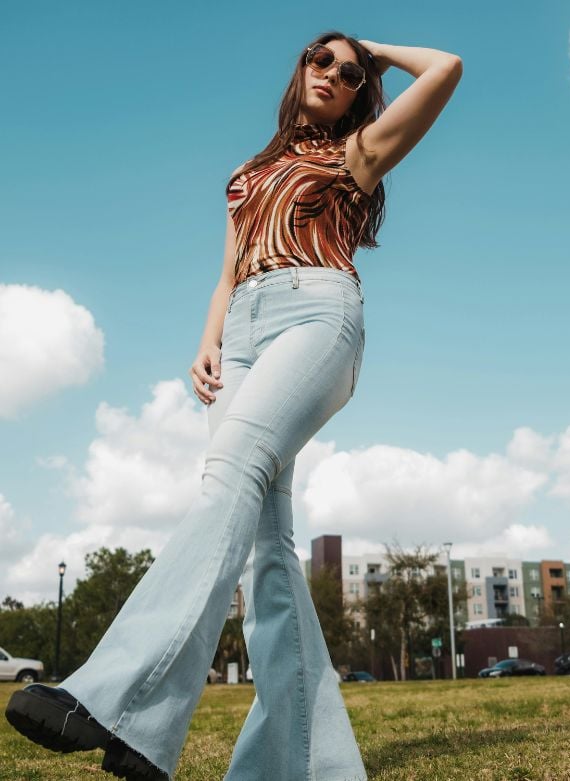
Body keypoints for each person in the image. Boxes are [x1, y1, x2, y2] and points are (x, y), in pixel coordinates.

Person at [5, 30, 462, 781]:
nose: (334, 75)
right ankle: (294, 765)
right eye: (322, 60)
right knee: (264, 546)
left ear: (359, 89)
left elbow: (446, 68)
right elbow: (227, 272)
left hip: (316, 314)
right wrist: (208, 340)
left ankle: (114, 697)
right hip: (242, 333)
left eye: (350, 73)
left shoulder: (358, 154)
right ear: (300, 68)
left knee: (230, 473)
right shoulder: (247, 172)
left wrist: (374, 50)